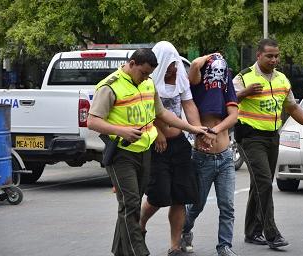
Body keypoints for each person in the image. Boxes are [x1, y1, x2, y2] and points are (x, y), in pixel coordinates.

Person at [87, 48, 206, 256]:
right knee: (131, 203)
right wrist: (121, 131)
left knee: (129, 205)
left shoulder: (148, 83)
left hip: (145, 152)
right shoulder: (110, 86)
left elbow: (162, 113)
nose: (145, 78)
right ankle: (139, 252)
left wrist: (193, 129)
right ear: (132, 64)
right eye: (142, 73)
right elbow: (92, 121)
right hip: (121, 154)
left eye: (149, 74)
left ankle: (120, 251)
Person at [233, 38, 303, 251]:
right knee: (264, 182)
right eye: (269, 56)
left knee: (259, 184)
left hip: (272, 137)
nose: (274, 60)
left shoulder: (282, 79)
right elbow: (225, 100)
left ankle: (251, 231)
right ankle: (271, 233)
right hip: (250, 137)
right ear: (259, 55)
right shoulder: (244, 77)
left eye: (276, 56)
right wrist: (244, 93)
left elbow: (292, 108)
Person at [139, 41, 202, 256]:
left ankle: (175, 246)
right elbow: (146, 111)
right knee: (158, 195)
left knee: (180, 196)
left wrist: (197, 131)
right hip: (156, 144)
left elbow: (189, 105)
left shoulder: (180, 77)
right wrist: (158, 133)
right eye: (170, 66)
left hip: (179, 143)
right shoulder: (148, 82)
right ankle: (140, 224)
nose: (174, 69)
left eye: (175, 65)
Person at [181, 53, 239, 256]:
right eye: (213, 71)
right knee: (196, 206)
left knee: (227, 206)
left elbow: (233, 116)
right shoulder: (195, 86)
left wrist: (214, 130)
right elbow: (195, 65)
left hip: (225, 157)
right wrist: (212, 55)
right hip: (202, 157)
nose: (217, 75)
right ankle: (184, 230)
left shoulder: (225, 85)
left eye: (220, 71)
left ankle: (224, 246)